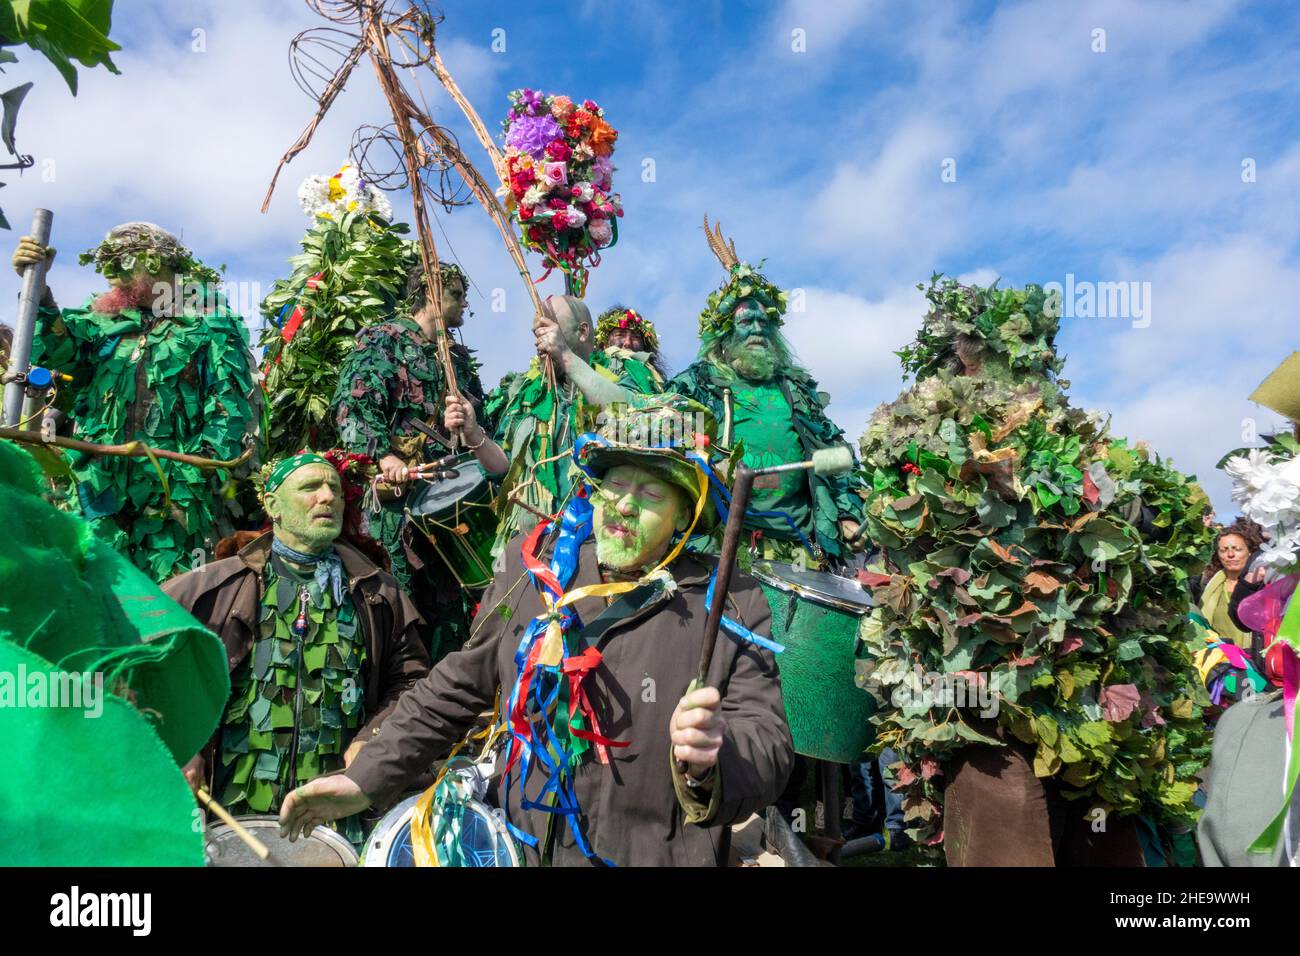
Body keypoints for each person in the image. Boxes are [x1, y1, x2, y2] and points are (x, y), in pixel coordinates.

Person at [279, 398, 794, 866]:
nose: (624, 505)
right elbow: (456, 685)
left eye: (651, 493)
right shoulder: (536, 572)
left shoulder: (729, 599)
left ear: (685, 514)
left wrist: (712, 756)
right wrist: (363, 778)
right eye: (615, 485)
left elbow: (768, 741)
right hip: (523, 849)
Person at [163, 452, 430, 846]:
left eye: (335, 489)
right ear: (273, 505)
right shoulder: (212, 587)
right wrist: (182, 742)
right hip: (230, 820)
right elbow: (142, 665)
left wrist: (373, 738)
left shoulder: (378, 592)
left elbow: (411, 683)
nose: (328, 497)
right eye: (310, 487)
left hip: (334, 821)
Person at [12, 223, 257, 581]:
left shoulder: (210, 325)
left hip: (174, 497)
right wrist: (39, 289)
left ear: (159, 262)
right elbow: (62, 354)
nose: (110, 273)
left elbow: (227, 408)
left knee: (173, 592)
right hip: (97, 487)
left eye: (121, 261)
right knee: (95, 586)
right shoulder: (100, 321)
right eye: (106, 263)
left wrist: (197, 475)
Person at [330, 260, 507, 660]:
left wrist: (467, 426)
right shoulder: (384, 341)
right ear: (430, 292)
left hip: (450, 498)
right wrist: (385, 457)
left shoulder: (457, 361)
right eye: (457, 294)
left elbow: (483, 428)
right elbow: (352, 407)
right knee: (398, 600)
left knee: (451, 608)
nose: (464, 305)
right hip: (399, 502)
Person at [668, 218, 864, 566]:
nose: (758, 329)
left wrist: (848, 515)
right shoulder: (699, 383)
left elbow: (835, 453)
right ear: (725, 334)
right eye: (746, 322)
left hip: (800, 547)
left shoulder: (795, 388)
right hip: (722, 547)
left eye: (764, 322)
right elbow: (662, 433)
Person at [485, 294, 661, 556]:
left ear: (583, 332)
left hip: (603, 539)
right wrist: (474, 435)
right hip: (532, 548)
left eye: (549, 328)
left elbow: (632, 416)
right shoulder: (526, 392)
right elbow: (503, 466)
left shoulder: (623, 368)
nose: (540, 339)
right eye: (537, 332)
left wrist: (566, 356)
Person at [1199, 518, 1266, 651]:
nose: (1230, 554)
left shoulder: (1262, 586)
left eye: (1237, 549)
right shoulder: (1209, 585)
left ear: (1250, 551)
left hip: (1251, 658)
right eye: (1223, 550)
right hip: (1216, 658)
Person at [593, 304, 667, 385]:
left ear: (644, 347)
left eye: (636, 337)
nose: (628, 343)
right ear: (605, 344)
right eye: (620, 335)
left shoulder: (658, 382)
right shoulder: (591, 371)